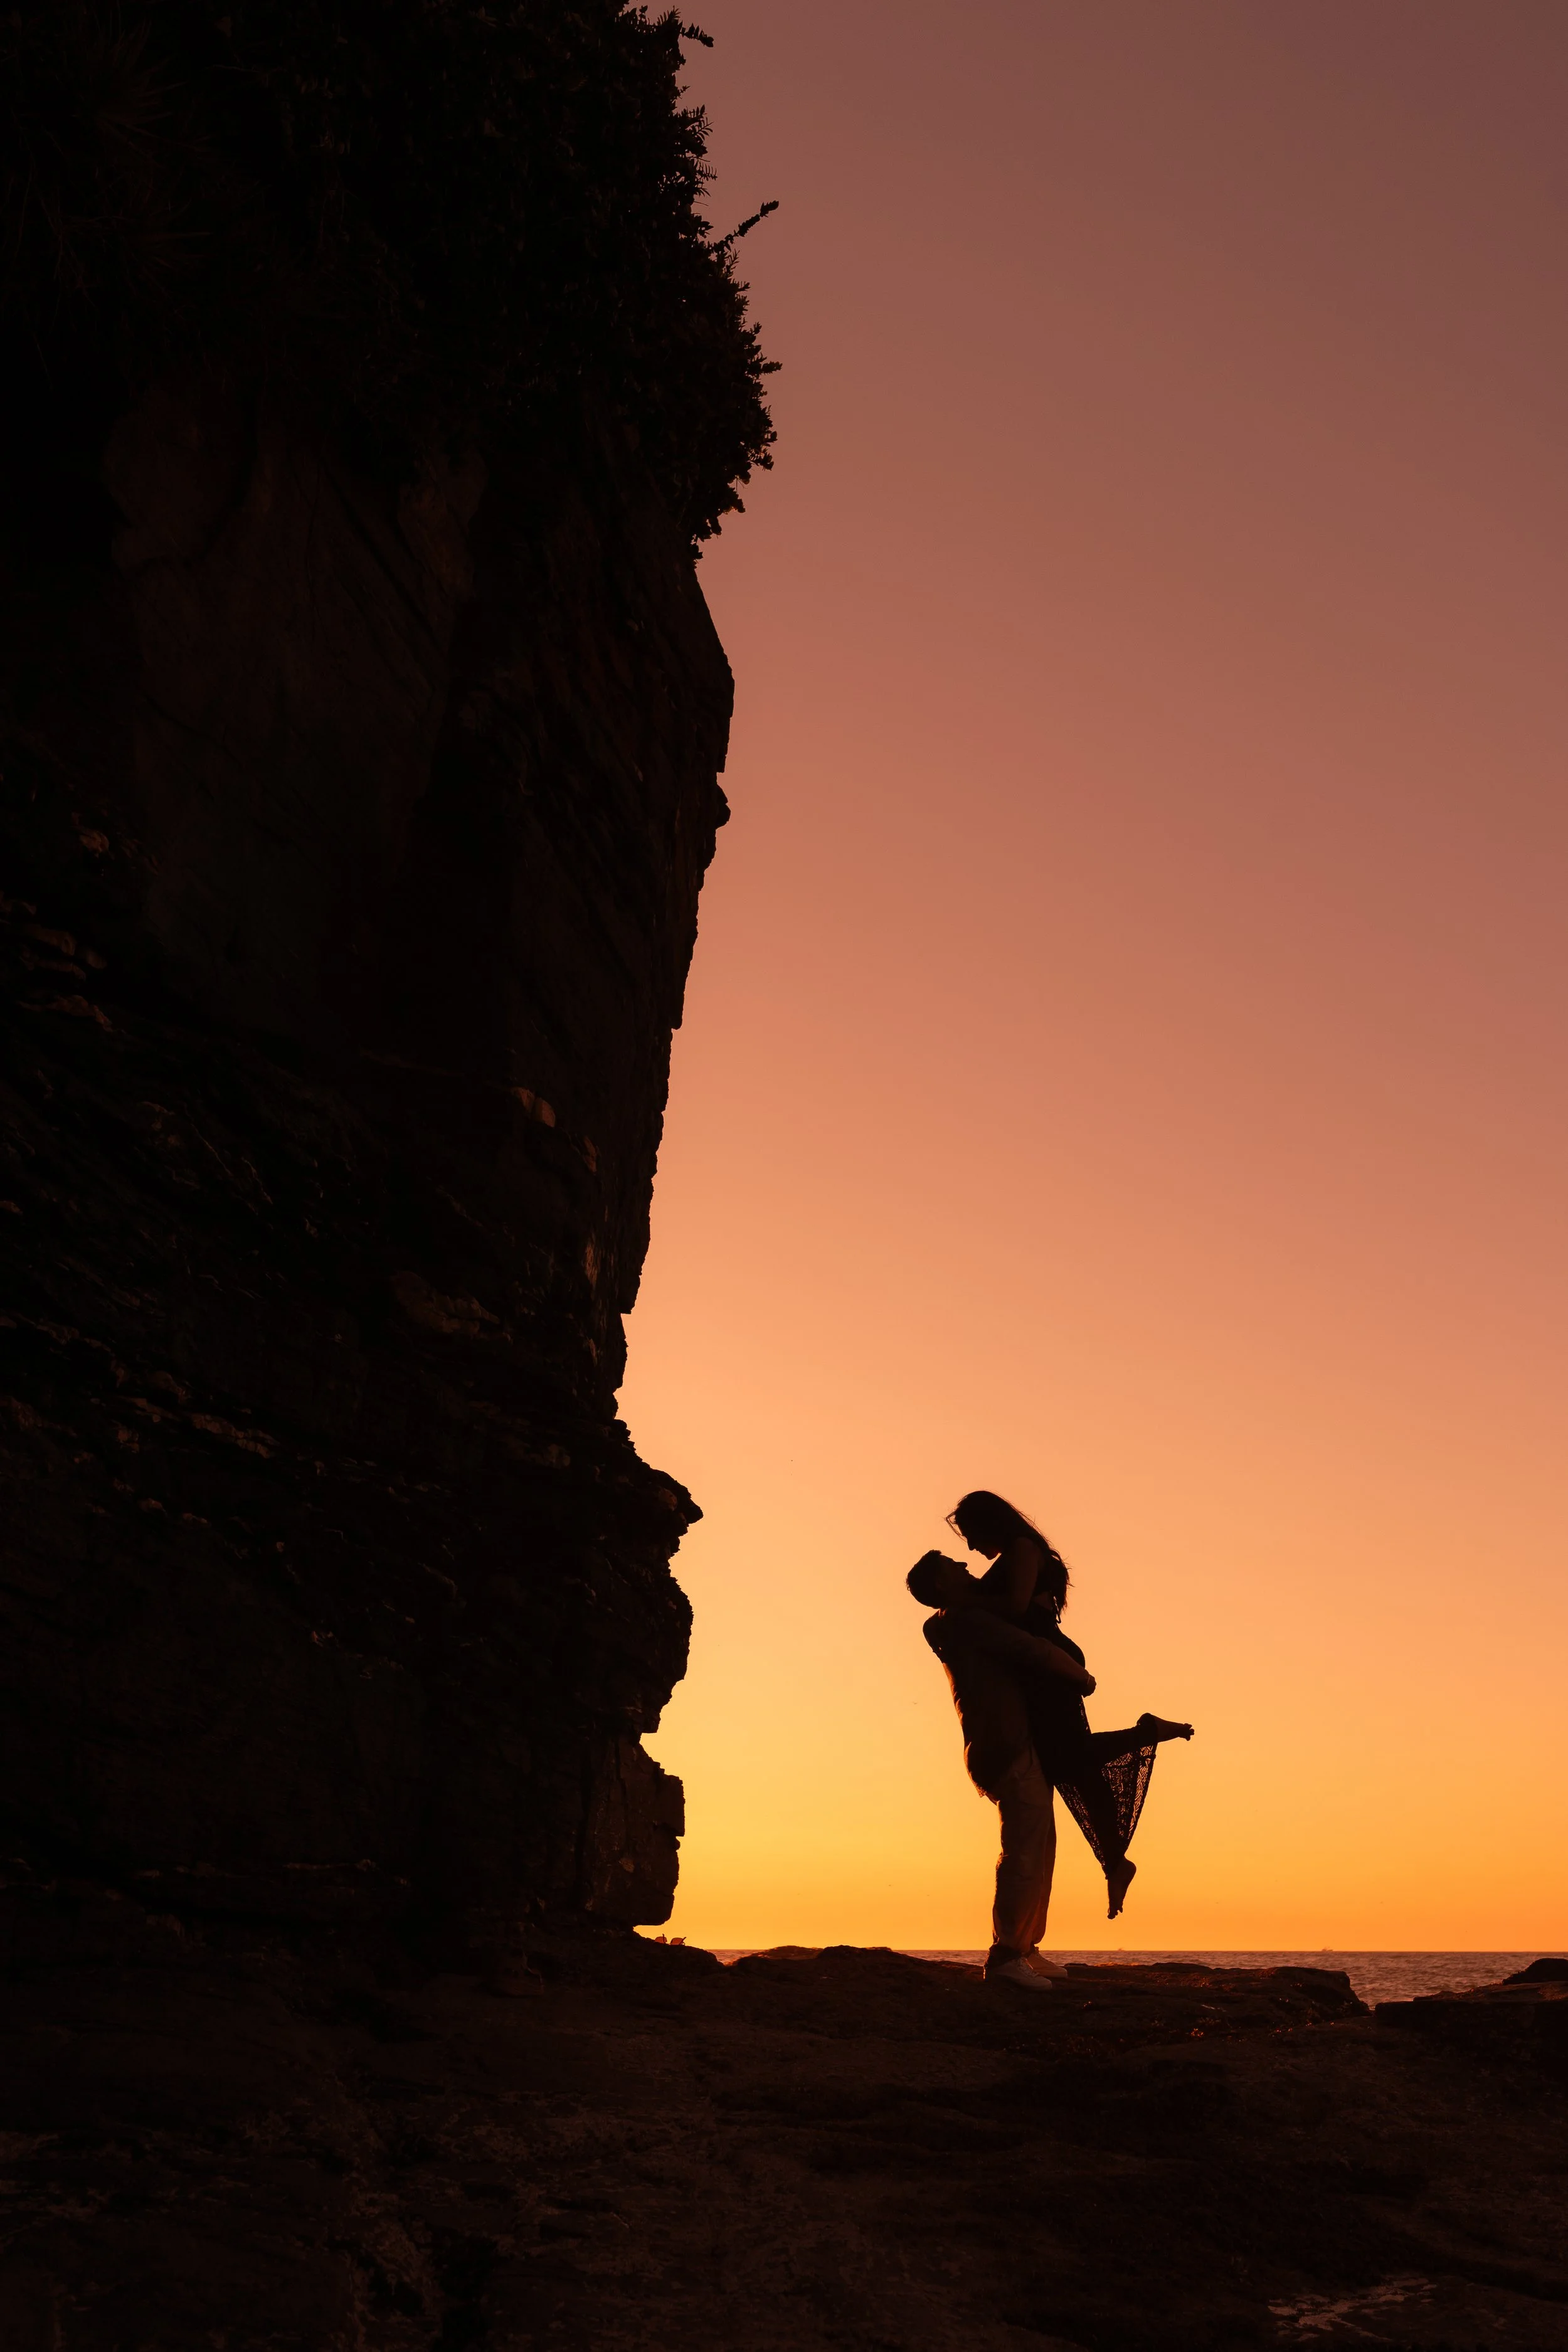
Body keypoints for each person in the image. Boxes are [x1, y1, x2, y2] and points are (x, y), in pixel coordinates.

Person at [909, 1488, 1192, 1989]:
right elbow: (1031, 1649)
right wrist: (1083, 1680)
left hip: (1015, 1742)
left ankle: (1026, 1946)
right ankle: (1005, 1956)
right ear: (942, 1584)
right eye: (955, 1564)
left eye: (967, 1544)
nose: (969, 1560)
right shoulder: (967, 1619)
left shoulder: (964, 1613)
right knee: (1024, 1845)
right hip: (1006, 1745)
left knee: (1042, 1841)